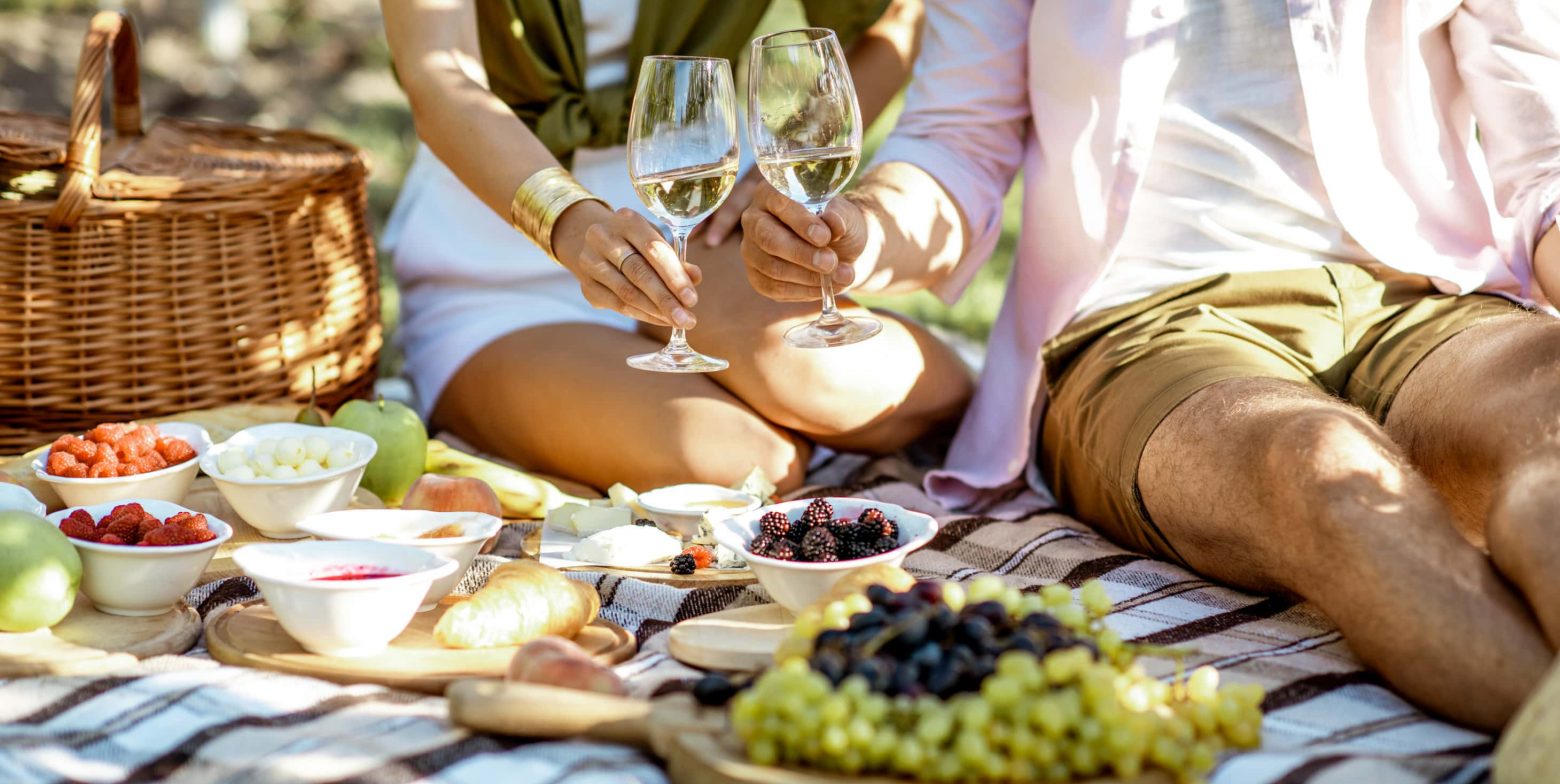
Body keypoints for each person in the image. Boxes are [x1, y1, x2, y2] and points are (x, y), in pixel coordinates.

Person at [741, 0, 1560, 731]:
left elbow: (1546, 159)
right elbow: (957, 139)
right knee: (1318, 468)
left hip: (1429, 296)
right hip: (1146, 325)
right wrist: (865, 235)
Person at [379, 0, 973, 494]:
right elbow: (439, 75)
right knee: (743, 466)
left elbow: (898, 18)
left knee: (857, 387)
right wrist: (567, 219)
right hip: (497, 257)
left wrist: (785, 154)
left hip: (699, 224)